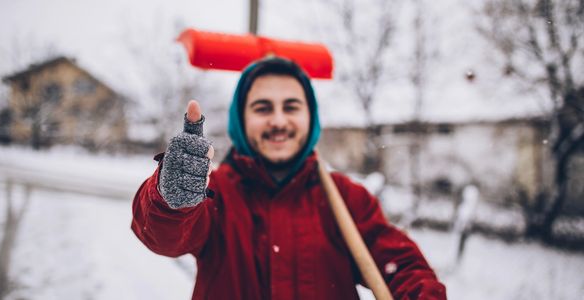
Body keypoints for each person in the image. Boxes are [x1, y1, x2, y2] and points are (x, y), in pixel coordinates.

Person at [131, 57, 446, 299]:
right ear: (241, 119)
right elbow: (162, 237)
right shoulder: (217, 193)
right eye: (263, 108)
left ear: (310, 118)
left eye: (291, 107)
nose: (279, 121)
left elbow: (402, 265)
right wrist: (170, 202)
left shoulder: (347, 198)